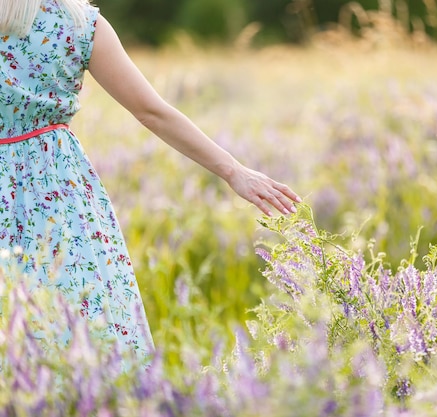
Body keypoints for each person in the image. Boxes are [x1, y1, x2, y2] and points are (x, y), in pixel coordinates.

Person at [0, 0, 301, 364]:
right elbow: (152, 112)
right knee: (80, 319)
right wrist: (233, 170)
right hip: (56, 193)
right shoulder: (79, 24)